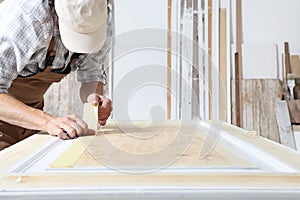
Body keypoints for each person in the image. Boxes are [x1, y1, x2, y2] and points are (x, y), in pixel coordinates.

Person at [0, 0, 113, 151]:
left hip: (31, 118)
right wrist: (47, 121)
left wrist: (93, 98)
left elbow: (91, 74)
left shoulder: (99, 19)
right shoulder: (27, 19)